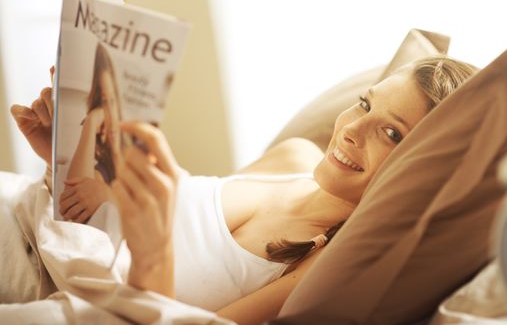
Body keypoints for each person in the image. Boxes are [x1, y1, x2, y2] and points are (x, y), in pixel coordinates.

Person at [11, 55, 477, 325]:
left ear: (423, 170)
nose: (354, 129)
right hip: (31, 218)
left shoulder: (331, 260)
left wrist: (155, 258)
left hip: (55, 289)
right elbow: (166, 221)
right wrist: (74, 163)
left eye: (391, 133)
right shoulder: (295, 158)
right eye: (363, 104)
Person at [58, 43, 124, 223]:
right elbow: (75, 206)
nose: (109, 112)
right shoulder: (103, 166)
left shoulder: (138, 151)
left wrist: (108, 195)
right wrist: (90, 122)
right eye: (103, 102)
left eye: (112, 101)